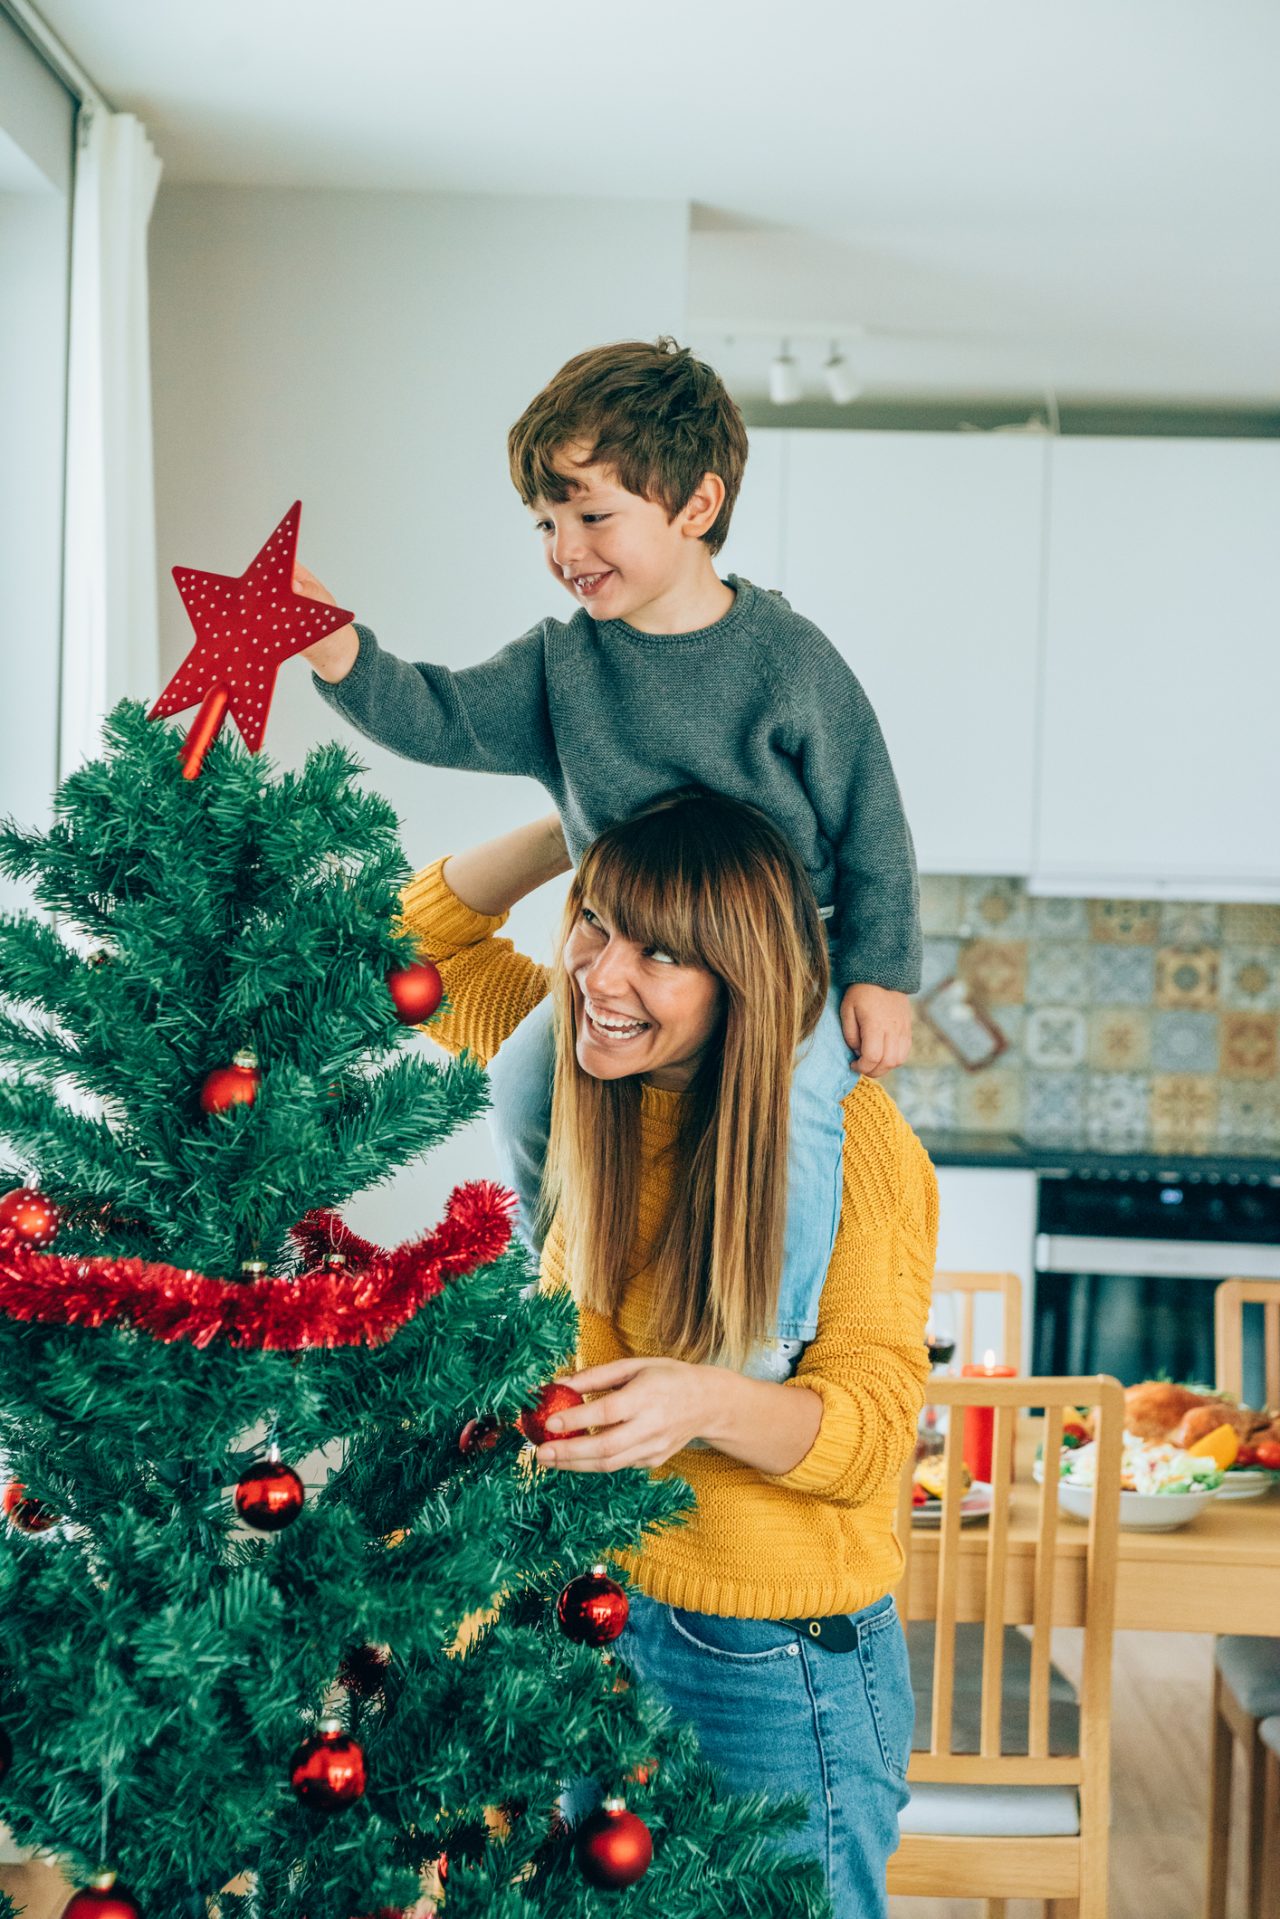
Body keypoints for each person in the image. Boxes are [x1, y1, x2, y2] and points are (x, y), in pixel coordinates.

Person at [295, 337, 921, 1348]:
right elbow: (439, 715)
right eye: (545, 520)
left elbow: (871, 823)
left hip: (775, 964)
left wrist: (878, 974)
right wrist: (340, 652)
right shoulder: (559, 666)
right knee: (519, 1082)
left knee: (798, 1118)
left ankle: (768, 1335)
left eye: (592, 514)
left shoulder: (786, 659)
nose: (563, 545)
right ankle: (570, 1278)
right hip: (625, 962)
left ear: (695, 506)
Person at [398, 789, 938, 1915]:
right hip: (580, 1613)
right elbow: (408, 945)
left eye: (658, 954)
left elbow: (875, 1434)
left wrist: (705, 1400)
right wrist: (581, 804)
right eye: (593, 921)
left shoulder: (850, 1147)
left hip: (767, 1652)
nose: (601, 975)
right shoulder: (572, 1068)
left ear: (738, 975)